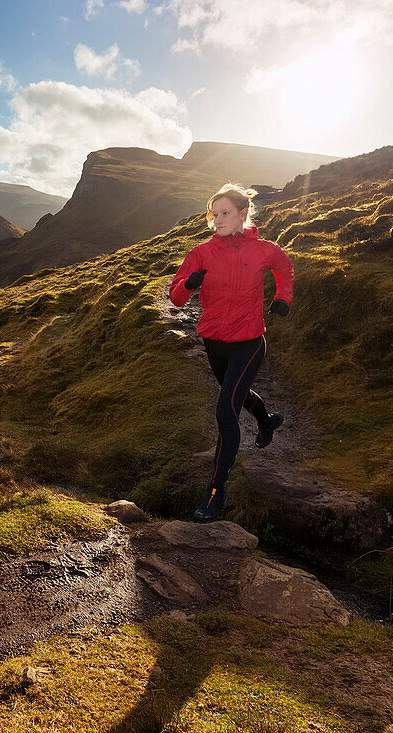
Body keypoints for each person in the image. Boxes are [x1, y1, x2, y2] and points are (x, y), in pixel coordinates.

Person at [168, 183, 294, 522]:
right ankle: (267, 421)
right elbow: (176, 297)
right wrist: (189, 284)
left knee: (226, 409)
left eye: (225, 213)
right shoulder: (201, 253)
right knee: (235, 394)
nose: (218, 219)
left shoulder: (264, 249)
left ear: (242, 215)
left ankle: (216, 492)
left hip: (250, 341)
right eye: (214, 214)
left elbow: (285, 270)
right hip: (214, 343)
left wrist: (283, 298)